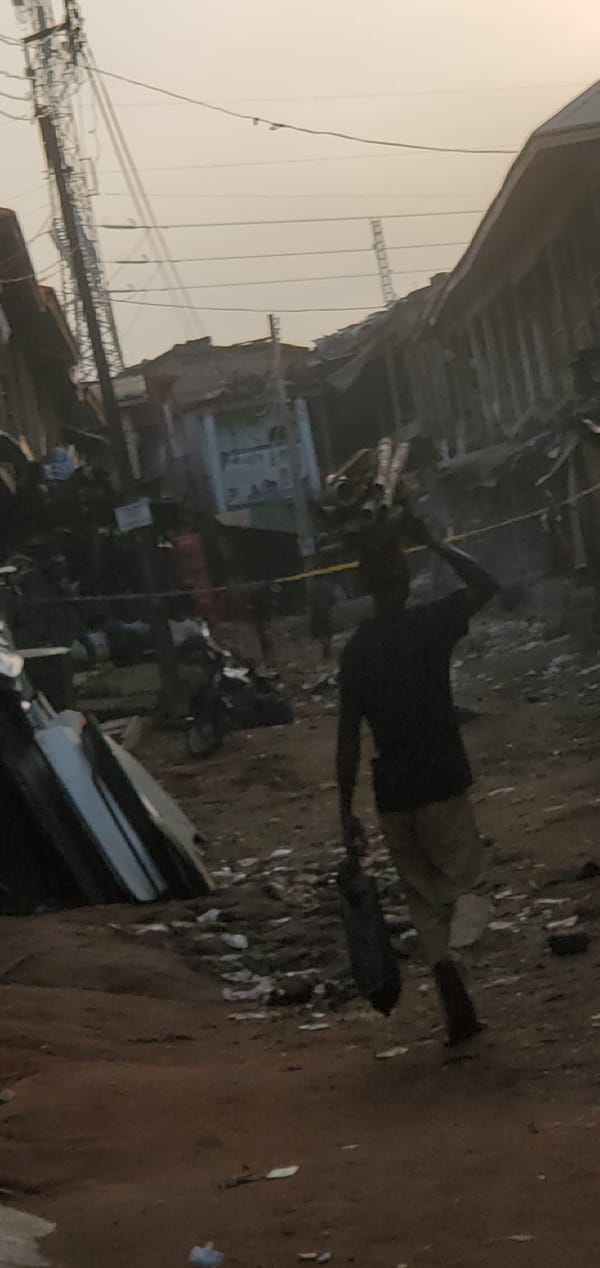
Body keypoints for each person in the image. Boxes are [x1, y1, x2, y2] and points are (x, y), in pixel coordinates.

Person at [336, 512, 499, 1046]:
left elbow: (347, 736)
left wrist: (345, 811)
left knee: (424, 901)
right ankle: (457, 957)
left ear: (364, 586)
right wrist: (431, 539)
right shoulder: (431, 624)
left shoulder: (357, 651)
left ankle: (453, 993)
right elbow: (486, 584)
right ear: (406, 581)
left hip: (393, 791)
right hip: (441, 778)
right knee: (469, 889)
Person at [309, 572, 336, 660]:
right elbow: (333, 599)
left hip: (316, 614)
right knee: (327, 632)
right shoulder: (327, 587)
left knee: (320, 632)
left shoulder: (312, 588)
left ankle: (324, 645)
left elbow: (311, 602)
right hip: (325, 613)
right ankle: (326, 645)